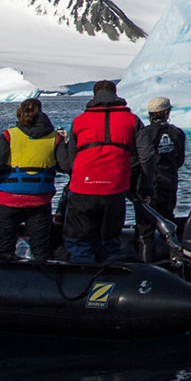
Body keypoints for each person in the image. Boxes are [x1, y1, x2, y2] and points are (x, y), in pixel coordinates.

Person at [58, 80, 139, 263]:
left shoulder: (79, 121)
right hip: (115, 188)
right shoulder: (132, 120)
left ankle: (81, 282)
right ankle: (107, 282)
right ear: (115, 94)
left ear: (94, 97)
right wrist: (142, 185)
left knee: (79, 241)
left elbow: (71, 160)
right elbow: (145, 155)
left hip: (82, 189)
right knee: (109, 242)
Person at [0, 97, 62, 261]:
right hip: (39, 198)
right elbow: (64, 164)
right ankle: (45, 280)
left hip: (8, 198)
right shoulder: (55, 137)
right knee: (41, 249)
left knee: (4, 248)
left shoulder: (9, 135)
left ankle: (3, 279)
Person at [137, 96, 186, 218]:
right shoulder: (177, 133)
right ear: (166, 113)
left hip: (147, 183)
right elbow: (179, 161)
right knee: (167, 216)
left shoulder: (143, 133)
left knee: (146, 219)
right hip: (169, 181)